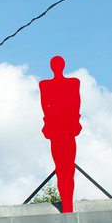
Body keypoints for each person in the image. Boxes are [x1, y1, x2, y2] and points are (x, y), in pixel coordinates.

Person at [38, 55, 81, 212]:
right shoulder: (45, 85)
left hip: (65, 129)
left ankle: (68, 204)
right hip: (58, 130)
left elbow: (75, 104)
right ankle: (67, 204)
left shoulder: (73, 83)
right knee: (62, 168)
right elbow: (46, 107)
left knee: (67, 168)